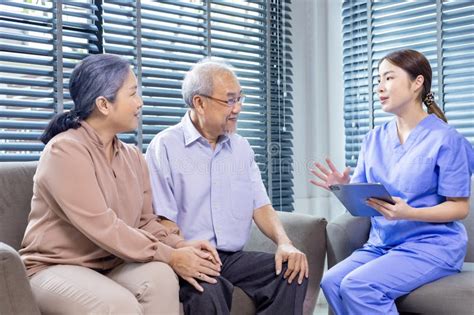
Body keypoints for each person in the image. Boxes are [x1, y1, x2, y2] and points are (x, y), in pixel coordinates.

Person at [20, 54, 222, 314]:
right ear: (104, 104)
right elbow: (103, 226)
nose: (140, 102)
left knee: (160, 277)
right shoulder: (64, 151)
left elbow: (144, 221)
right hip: (54, 267)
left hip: (110, 264)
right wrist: (171, 256)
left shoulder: (132, 156)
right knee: (118, 305)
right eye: (133, 94)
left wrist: (179, 245)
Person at [310, 49, 474, 314]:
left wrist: (410, 212)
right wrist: (344, 187)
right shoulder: (373, 138)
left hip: (431, 245)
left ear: (417, 83)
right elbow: (365, 204)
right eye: (378, 80)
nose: (380, 87)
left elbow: (459, 207)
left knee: (358, 285)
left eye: (389, 78)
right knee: (331, 281)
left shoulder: (447, 139)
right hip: (382, 244)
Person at [145, 58, 309, 315]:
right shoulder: (164, 146)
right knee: (208, 290)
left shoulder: (241, 147)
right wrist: (183, 252)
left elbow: (261, 205)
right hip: (190, 253)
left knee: (292, 272)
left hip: (232, 258)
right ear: (200, 102)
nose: (238, 108)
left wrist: (284, 242)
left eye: (240, 99)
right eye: (230, 100)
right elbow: (163, 220)